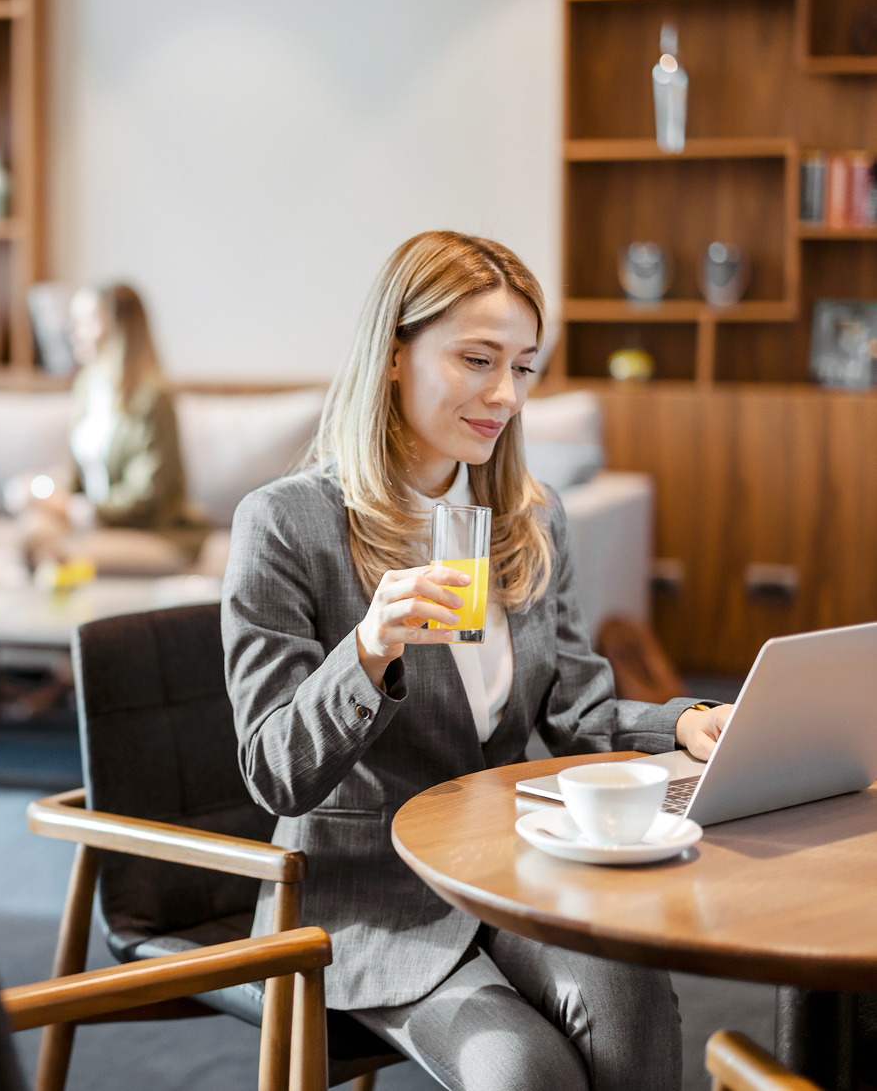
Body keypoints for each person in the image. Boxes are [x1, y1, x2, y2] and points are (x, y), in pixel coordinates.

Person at [222, 231, 732, 1091]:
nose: (504, 394)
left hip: (507, 866)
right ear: (394, 355)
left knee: (634, 999)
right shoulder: (286, 527)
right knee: (525, 1071)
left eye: (524, 367)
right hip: (368, 894)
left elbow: (576, 711)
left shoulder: (530, 519)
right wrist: (369, 650)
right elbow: (275, 773)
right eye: (477, 359)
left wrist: (685, 720)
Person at [9, 283, 207, 575]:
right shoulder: (88, 387)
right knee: (32, 533)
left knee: (57, 554)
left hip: (148, 531)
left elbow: (147, 499)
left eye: (86, 321)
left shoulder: (153, 399)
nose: (73, 330)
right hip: (95, 522)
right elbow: (79, 477)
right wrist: (44, 489)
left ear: (118, 327)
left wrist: (75, 509)